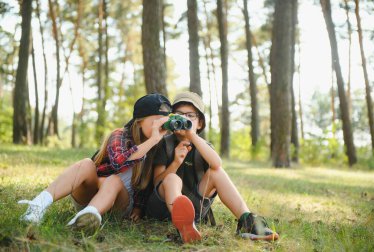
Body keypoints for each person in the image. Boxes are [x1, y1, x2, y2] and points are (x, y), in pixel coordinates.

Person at [18, 93, 171, 235]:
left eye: (164, 122)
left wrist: (138, 208)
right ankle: (38, 206)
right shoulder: (120, 135)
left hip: (119, 205)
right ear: (139, 122)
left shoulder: (158, 147)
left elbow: (146, 185)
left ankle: (89, 216)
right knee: (86, 164)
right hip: (91, 193)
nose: (160, 127)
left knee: (114, 180)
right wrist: (152, 141)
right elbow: (119, 163)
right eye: (156, 121)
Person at [145, 91, 279, 243]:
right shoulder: (164, 143)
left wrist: (192, 136)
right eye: (179, 114)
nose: (184, 119)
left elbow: (217, 164)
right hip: (163, 207)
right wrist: (175, 163)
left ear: (200, 123)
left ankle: (248, 220)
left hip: (194, 211)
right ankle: (181, 223)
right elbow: (157, 182)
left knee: (217, 172)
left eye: (190, 116)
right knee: (171, 178)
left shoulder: (203, 147)